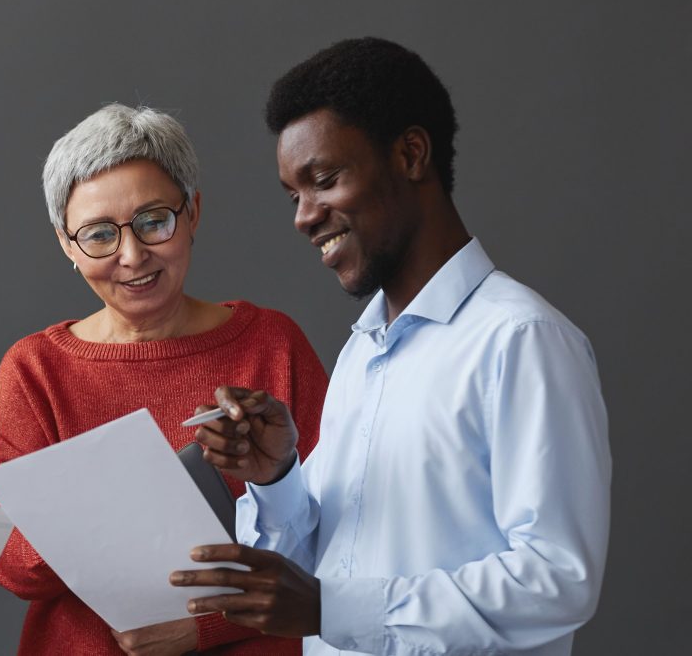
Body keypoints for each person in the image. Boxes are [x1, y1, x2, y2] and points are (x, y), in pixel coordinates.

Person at [175, 38, 612, 655]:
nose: (303, 216)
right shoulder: (364, 351)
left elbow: (558, 580)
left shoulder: (521, 340)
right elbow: (322, 562)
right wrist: (275, 477)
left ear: (410, 154)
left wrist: (332, 607)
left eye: (323, 180)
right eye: (293, 195)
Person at [0, 104, 328, 655]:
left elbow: (340, 545)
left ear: (192, 212)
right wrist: (125, 494)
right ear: (66, 245)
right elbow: (16, 570)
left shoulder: (272, 344)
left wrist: (206, 626)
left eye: (153, 221)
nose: (131, 254)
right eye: (99, 234)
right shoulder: (34, 369)